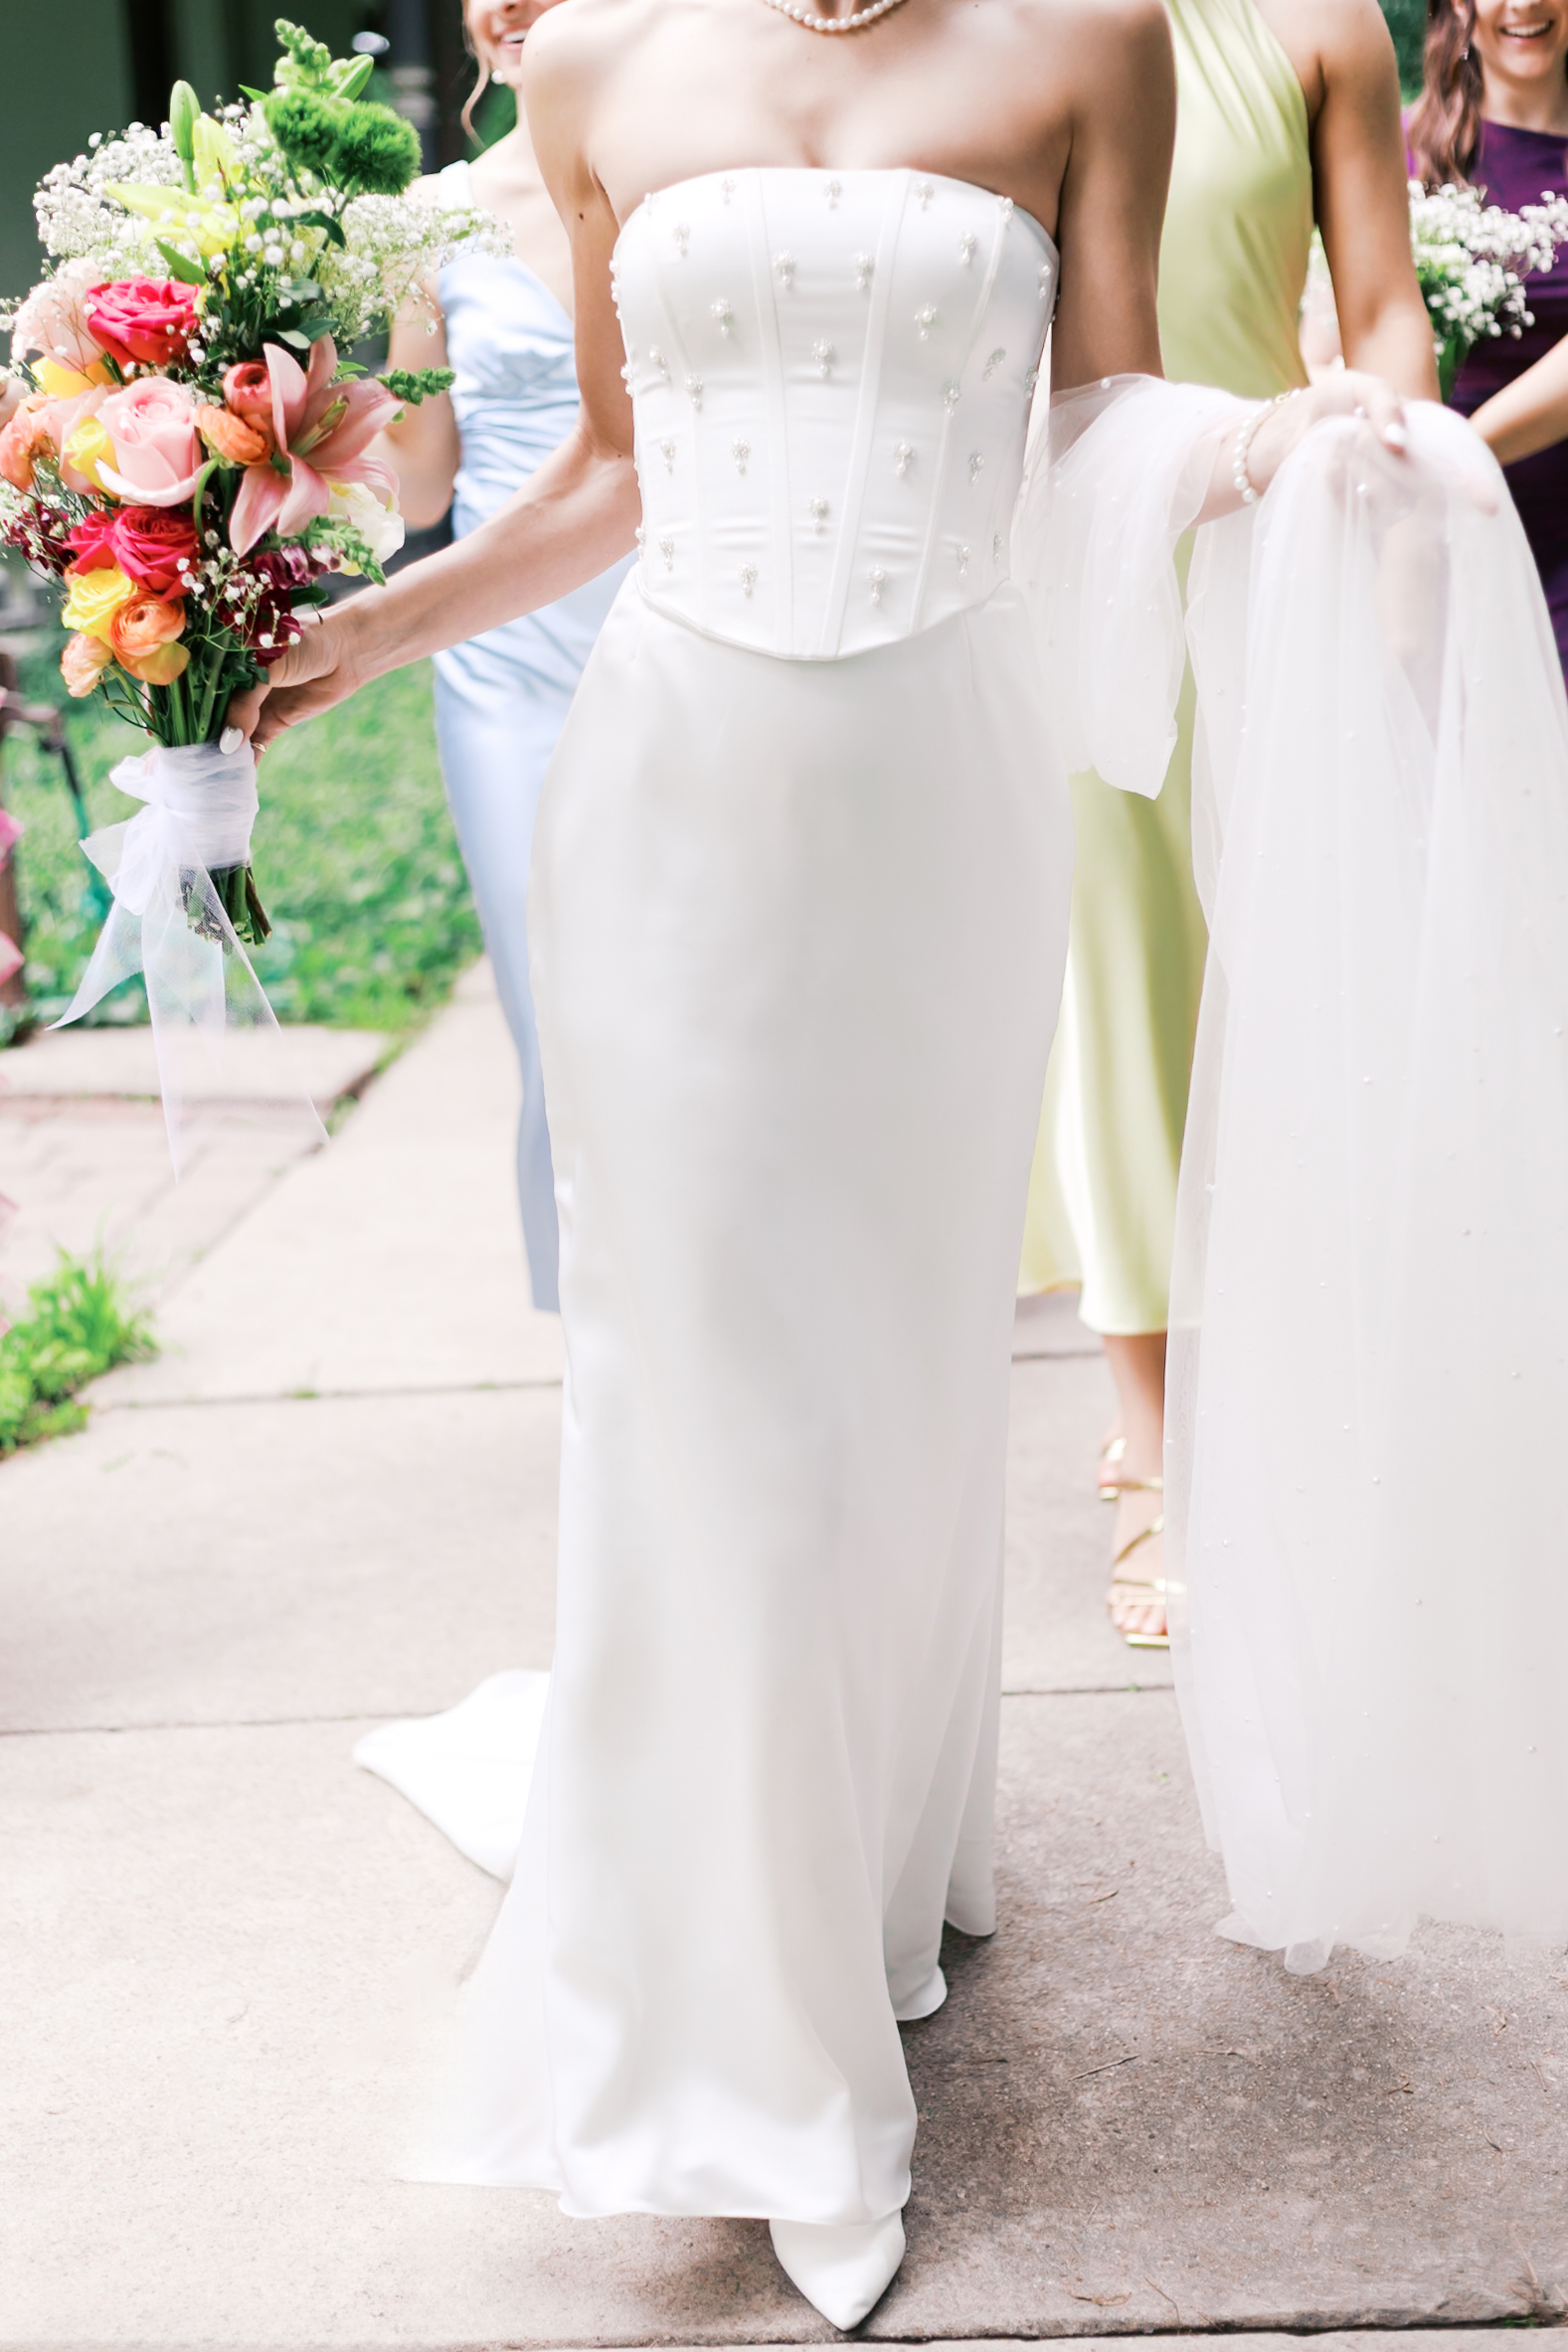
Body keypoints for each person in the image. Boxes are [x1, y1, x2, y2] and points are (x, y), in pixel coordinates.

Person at [229, 0, 1489, 2323]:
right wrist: (364, 632)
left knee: (890, 1378)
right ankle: (756, 2049)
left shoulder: (1080, 42)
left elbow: (1095, 428)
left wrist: (1276, 452)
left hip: (942, 795)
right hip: (676, 793)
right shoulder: (599, 59)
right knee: (699, 1392)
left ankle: (881, 1863)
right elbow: (613, 469)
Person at [1017, 0, 1438, 1651]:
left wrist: (1388, 484)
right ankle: (1153, 1451)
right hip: (1071, 564)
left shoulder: (1320, 24)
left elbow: (1381, 305)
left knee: (1304, 981)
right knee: (1122, 994)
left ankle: (1319, 1414)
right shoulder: (1004, 27)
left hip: (1279, 558)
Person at [379, 0, 630, 1310]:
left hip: (669, 630)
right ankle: (605, 1328)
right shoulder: (430, 222)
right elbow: (420, 497)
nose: (512, 4)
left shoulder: (673, 168)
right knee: (558, 1015)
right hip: (506, 670)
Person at [1409, 0, 1568, 680]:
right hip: (1427, 538)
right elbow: (1323, 340)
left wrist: (1461, 451)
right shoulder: (1395, 150)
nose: (1524, 4)